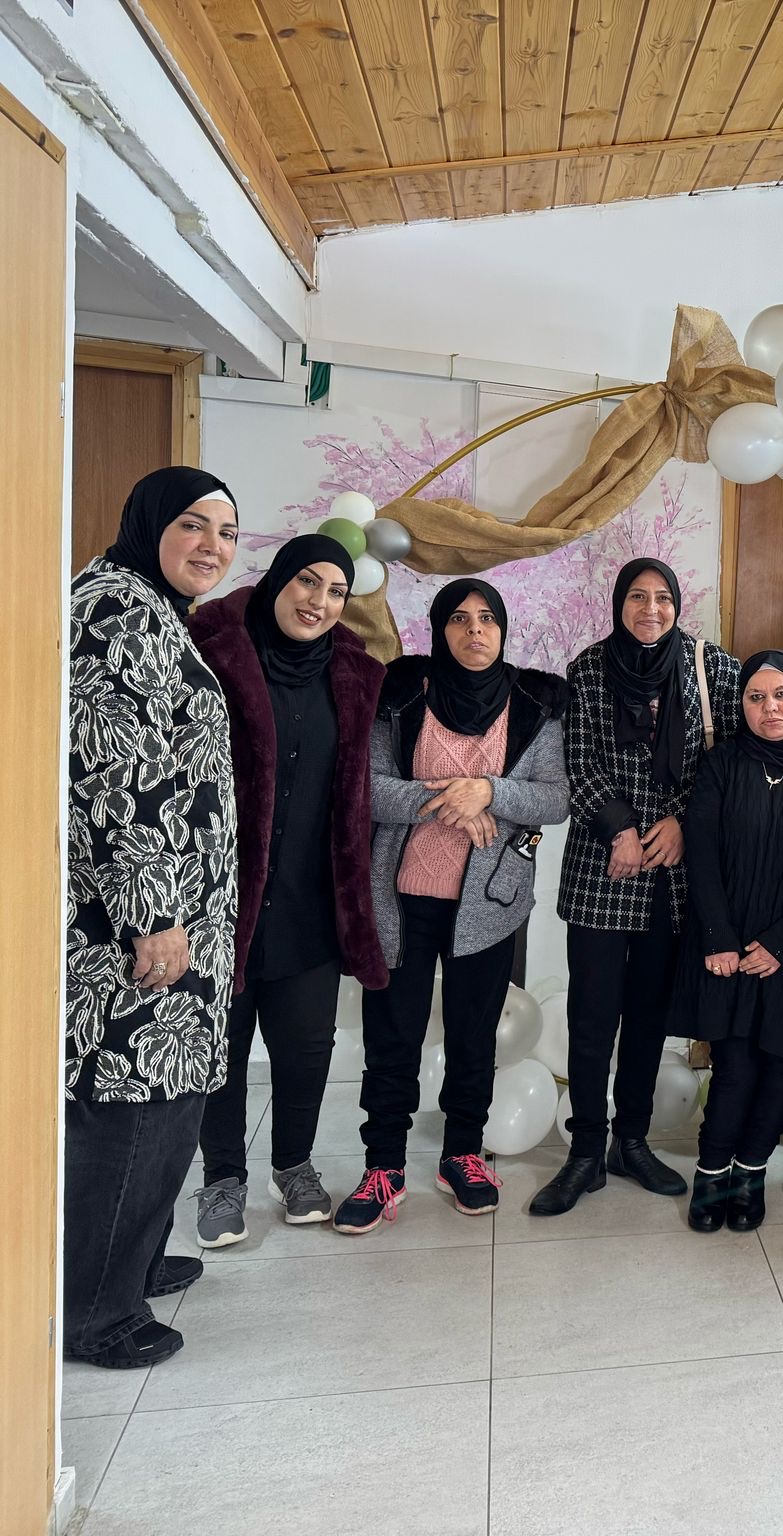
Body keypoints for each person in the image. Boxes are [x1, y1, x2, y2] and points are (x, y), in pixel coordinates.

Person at [64, 468, 241, 1368]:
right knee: (135, 1107)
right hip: (136, 925)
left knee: (162, 1103)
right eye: (194, 525)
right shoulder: (115, 610)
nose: (213, 545)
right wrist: (154, 915)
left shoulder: (152, 606)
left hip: (172, 913)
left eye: (227, 532)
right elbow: (118, 777)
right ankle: (95, 1309)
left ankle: (124, 1262)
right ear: (149, 524)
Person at [335, 579, 569, 1232]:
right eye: (460, 619)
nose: (475, 631)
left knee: (474, 1035)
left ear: (503, 630)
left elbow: (555, 798)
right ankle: (382, 1165)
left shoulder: (535, 706)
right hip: (402, 899)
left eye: (488, 619)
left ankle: (462, 1153)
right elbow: (368, 788)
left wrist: (488, 791)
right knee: (393, 1038)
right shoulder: (400, 696)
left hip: (489, 905)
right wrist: (448, 799)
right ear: (440, 629)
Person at [189, 535, 387, 1245]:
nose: (319, 601)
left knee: (305, 1047)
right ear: (278, 579)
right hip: (222, 901)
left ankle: (294, 1166)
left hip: (312, 900)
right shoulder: (213, 654)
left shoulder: (355, 675)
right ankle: (222, 1179)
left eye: (336, 592)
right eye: (307, 581)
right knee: (221, 1048)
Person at [534, 559, 740, 1215]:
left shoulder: (715, 670)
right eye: (637, 597)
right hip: (605, 864)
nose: (650, 609)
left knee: (650, 1018)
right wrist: (619, 828)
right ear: (619, 603)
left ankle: (631, 1140)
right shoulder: (590, 669)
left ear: (677, 604)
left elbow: (727, 762)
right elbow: (579, 759)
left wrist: (681, 823)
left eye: (662, 598)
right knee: (592, 1017)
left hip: (673, 873)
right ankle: (585, 1151)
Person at [682, 652, 783, 1233]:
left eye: (782, 695)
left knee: (779, 1067)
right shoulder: (721, 765)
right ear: (741, 705)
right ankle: (711, 1174)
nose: (770, 708)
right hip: (727, 947)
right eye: (756, 697)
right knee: (733, 1068)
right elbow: (701, 852)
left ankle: (750, 1174)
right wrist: (718, 937)